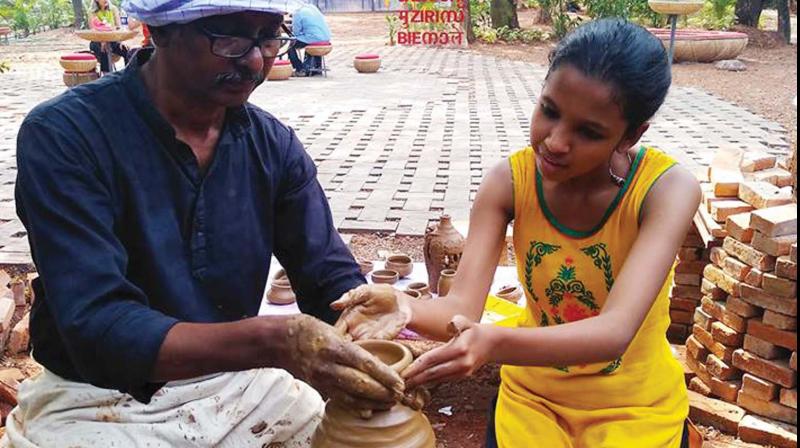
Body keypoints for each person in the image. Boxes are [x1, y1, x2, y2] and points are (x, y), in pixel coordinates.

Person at [5, 0, 410, 446]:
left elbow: (327, 277)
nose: (255, 60)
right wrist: (273, 343)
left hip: (236, 381)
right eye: (230, 38)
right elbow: (98, 325)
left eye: (268, 37)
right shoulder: (66, 135)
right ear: (157, 33)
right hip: (94, 398)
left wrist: (363, 312)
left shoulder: (270, 144)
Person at [333, 19, 702, 448]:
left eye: (589, 132)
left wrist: (495, 343)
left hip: (635, 406)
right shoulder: (508, 182)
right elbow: (460, 307)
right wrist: (405, 307)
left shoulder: (666, 189)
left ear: (632, 135)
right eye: (549, 110)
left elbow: (614, 332)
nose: (556, 142)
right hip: (535, 400)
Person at [286, 3, 331, 77]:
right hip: (326, 37)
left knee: (289, 45)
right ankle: (317, 67)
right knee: (307, 39)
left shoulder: (297, 13)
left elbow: (296, 32)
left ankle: (299, 69)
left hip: (314, 38)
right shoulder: (313, 7)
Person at [88, 0, 131, 73]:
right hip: (97, 40)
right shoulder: (92, 11)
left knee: (126, 50)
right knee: (104, 49)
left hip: (113, 40)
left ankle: (128, 73)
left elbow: (118, 27)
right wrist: (102, 41)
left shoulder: (113, 9)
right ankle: (106, 75)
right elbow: (93, 29)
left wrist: (121, 41)